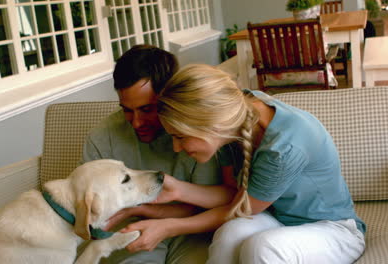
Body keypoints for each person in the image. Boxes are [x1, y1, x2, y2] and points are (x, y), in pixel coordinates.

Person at [148, 64, 366, 263]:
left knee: (264, 248)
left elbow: (241, 208)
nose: (176, 148)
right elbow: (234, 195)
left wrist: (170, 227)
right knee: (229, 234)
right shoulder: (233, 117)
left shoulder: (283, 147)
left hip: (334, 230)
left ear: (212, 125)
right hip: (277, 219)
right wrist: (177, 190)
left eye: (180, 136)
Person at [81, 45, 222, 263]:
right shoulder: (101, 138)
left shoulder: (198, 134)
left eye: (147, 109)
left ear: (170, 97)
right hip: (130, 230)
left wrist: (142, 210)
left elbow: (210, 204)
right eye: (127, 110)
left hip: (194, 231)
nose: (137, 123)